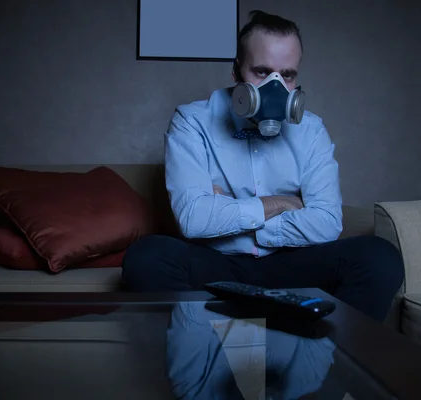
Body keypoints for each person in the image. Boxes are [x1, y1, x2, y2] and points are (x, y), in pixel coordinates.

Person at [122, 10, 404, 323]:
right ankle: (203, 353)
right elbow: (193, 220)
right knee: (146, 257)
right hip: (219, 263)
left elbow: (327, 222)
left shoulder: (310, 130)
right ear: (235, 72)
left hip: (290, 264)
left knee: (381, 258)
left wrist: (229, 211)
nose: (275, 85)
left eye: (287, 74)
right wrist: (281, 203)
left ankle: (330, 360)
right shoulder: (192, 122)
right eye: (261, 71)